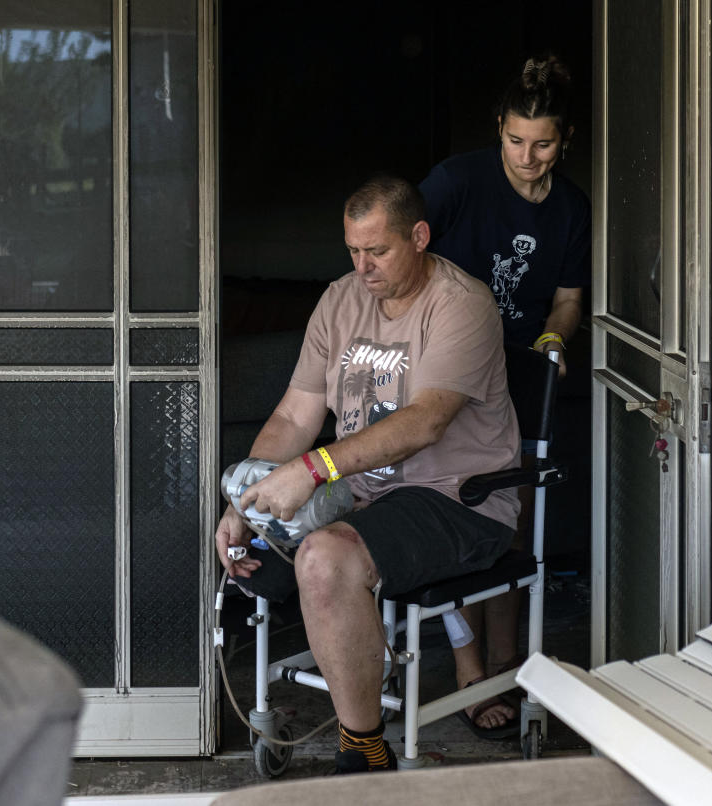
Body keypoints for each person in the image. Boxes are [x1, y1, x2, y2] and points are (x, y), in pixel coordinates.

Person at [215, 174, 520, 774]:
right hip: (365, 491)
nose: (363, 267)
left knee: (326, 557)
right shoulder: (340, 299)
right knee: (263, 536)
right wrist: (244, 503)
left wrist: (314, 468)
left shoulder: (463, 304)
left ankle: (363, 752)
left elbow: (425, 422)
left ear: (419, 237)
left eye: (378, 251)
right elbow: (294, 412)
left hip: (458, 498)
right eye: (353, 251)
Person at [419, 53, 592, 739]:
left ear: (565, 140)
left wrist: (553, 341)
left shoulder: (572, 207)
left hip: (517, 372)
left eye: (542, 143)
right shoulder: (457, 180)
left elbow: (569, 300)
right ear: (498, 129)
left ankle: (505, 660)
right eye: (515, 141)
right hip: (443, 369)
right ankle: (469, 664)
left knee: (510, 518)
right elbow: (402, 250)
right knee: (442, 506)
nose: (527, 156)